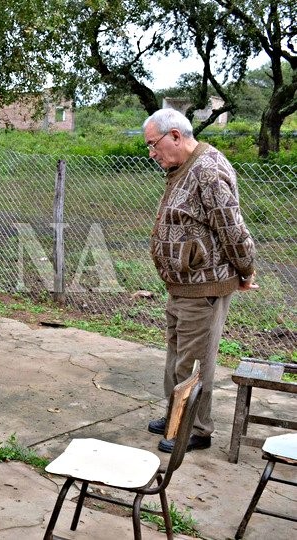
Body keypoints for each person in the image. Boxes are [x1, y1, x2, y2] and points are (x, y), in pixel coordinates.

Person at [143, 108, 257, 453]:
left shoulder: (208, 170)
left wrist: (246, 269)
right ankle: (175, 414)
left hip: (203, 286)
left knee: (194, 362)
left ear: (176, 136)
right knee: (177, 355)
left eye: (154, 144)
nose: (152, 153)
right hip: (182, 284)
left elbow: (231, 228)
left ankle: (196, 428)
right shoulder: (182, 168)